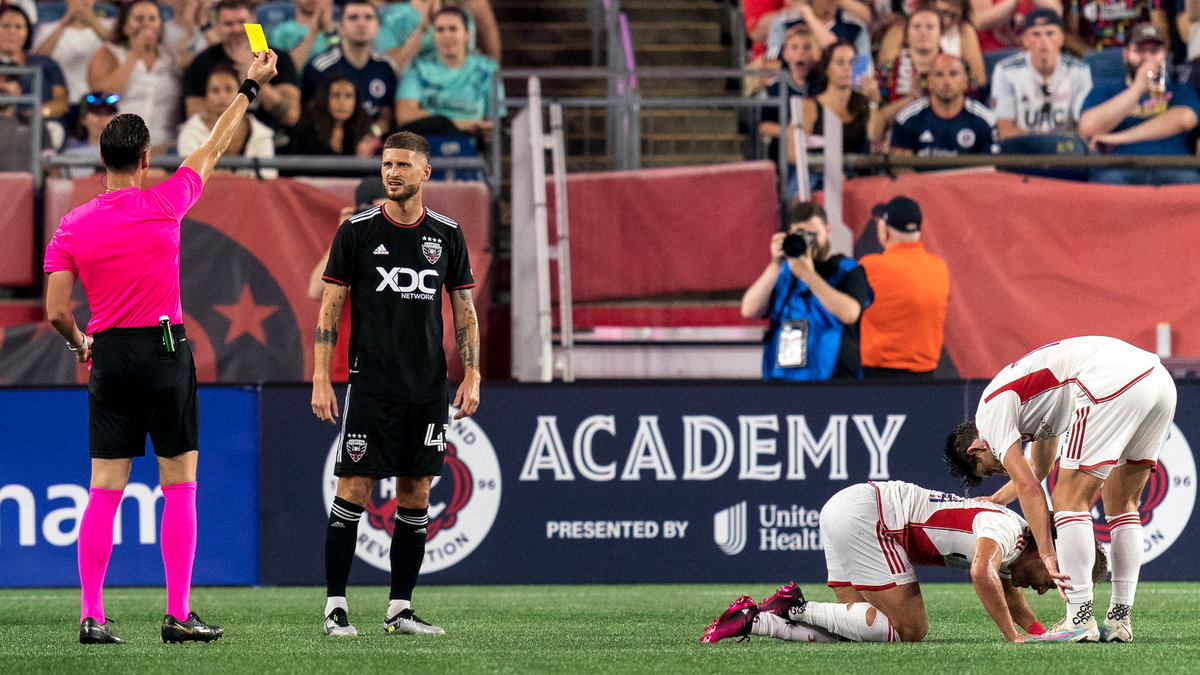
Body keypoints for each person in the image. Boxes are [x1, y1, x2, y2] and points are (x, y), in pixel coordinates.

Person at [42, 49, 278, 645]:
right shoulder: (166, 203)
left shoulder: (72, 226)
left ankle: (91, 617)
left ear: (102, 158)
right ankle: (177, 614)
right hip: (165, 353)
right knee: (179, 487)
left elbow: (54, 312)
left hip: (111, 357)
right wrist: (249, 86)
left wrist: (79, 343)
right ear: (146, 159)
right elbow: (218, 143)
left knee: (103, 492)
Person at [310, 131, 481, 637]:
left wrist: (471, 371)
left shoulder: (447, 233)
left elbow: (463, 309)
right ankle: (335, 608)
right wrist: (322, 377)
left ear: (426, 172)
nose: (393, 172)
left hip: (428, 389)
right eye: (387, 164)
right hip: (371, 386)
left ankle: (399, 609)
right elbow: (330, 307)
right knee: (354, 489)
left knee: (416, 492)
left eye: (403, 165)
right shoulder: (358, 230)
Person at [943, 335, 1177, 642]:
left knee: (1068, 499)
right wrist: (998, 500)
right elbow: (1039, 468)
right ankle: (1119, 619)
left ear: (976, 449)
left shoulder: (988, 417)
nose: (1002, 467)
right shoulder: (1033, 402)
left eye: (992, 467)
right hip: (1157, 379)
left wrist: (1047, 551)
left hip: (1110, 380)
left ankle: (1078, 618)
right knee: (1123, 504)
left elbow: (1028, 485)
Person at [701, 480, 1106, 643]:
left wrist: (1037, 633)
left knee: (857, 628)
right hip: (869, 516)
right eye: (1050, 581)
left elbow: (1009, 592)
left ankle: (756, 621)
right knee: (911, 630)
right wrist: (1014, 640)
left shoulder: (1017, 544)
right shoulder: (1006, 529)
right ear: (1045, 548)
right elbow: (982, 573)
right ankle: (795, 605)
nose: (1040, 587)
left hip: (850, 507)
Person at [741, 200, 872, 381]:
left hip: (834, 379)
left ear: (828, 230)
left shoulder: (848, 269)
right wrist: (774, 264)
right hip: (784, 377)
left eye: (813, 234)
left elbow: (850, 313)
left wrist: (809, 276)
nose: (809, 242)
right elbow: (749, 309)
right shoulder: (783, 272)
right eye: (801, 235)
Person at [1079, 23, 1200, 185]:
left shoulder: (1179, 89)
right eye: (1140, 51)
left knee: (1190, 181)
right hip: (1118, 169)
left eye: (1154, 52)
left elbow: (1185, 119)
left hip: (1173, 167)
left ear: (1164, 55)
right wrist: (1137, 89)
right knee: (1108, 182)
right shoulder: (1104, 89)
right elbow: (1088, 128)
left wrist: (1117, 138)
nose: (1147, 58)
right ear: (1125, 54)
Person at [857, 196, 948, 380]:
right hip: (926, 378)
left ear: (886, 231)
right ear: (919, 230)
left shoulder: (869, 266)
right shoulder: (939, 267)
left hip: (877, 378)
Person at [183, 0, 301, 131]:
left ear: (254, 21)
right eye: (228, 24)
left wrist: (256, 80)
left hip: (276, 141)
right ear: (216, 26)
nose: (236, 29)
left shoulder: (276, 57)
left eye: (241, 22)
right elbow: (194, 120)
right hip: (223, 141)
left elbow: (291, 116)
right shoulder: (203, 62)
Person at [394, 7, 502, 139]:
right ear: (433, 34)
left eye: (453, 29)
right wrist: (460, 124)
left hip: (471, 148)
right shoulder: (417, 67)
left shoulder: (487, 69)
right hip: (425, 145)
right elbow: (405, 115)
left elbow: (492, 124)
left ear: (467, 34)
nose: (446, 35)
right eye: (440, 30)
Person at [86, 0, 182, 148]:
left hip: (165, 143)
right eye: (139, 19)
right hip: (122, 143)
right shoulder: (109, 53)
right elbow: (102, 94)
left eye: (152, 19)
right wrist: (135, 55)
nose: (146, 25)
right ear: (125, 27)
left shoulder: (172, 56)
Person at [990, 8, 1092, 138]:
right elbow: (1005, 130)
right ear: (1025, 40)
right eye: (1036, 34)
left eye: (1050, 33)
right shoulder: (1006, 71)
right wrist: (1044, 142)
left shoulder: (1079, 70)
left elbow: (1084, 125)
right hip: (1022, 150)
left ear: (1061, 39)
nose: (1043, 41)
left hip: (1066, 152)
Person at [302, 0, 397, 132]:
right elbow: (311, 114)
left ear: (377, 27)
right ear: (340, 27)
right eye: (353, 18)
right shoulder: (321, 67)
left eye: (368, 17)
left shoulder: (386, 67)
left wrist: (371, 135)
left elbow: (386, 115)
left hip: (372, 145)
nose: (361, 23)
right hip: (327, 142)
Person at [177, 66, 277, 178]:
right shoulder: (190, 133)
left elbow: (268, 179)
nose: (222, 96)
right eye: (215, 90)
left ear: (242, 94)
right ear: (205, 97)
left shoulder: (261, 134)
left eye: (229, 89)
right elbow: (188, 180)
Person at [890, 53, 998, 157]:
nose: (947, 82)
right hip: (922, 176)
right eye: (939, 74)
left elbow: (990, 168)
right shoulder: (907, 118)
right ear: (929, 82)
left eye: (953, 74)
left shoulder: (985, 120)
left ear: (965, 81)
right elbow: (901, 168)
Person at [32, 0, 112, 134]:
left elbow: (120, 50)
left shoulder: (109, 25)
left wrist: (91, 20)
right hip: (63, 104)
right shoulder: (48, 28)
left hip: (99, 105)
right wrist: (64, 22)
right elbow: (38, 60)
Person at [878, 0, 988, 84]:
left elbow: (978, 81)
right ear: (929, 4)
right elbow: (885, 76)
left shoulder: (964, 31)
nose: (946, 21)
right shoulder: (900, 30)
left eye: (954, 16)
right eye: (942, 13)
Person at [0, 4, 69, 122]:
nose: (12, 31)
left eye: (19, 27)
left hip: (40, 126)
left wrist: (34, 114)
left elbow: (61, 103)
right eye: (6, 26)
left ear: (28, 32)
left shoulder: (45, 63)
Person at [876, 8, 943, 129]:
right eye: (916, 27)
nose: (923, 32)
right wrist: (911, 99)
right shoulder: (888, 69)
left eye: (930, 27)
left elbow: (968, 111)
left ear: (941, 34)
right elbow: (879, 117)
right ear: (906, 35)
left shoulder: (959, 67)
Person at [287, 76, 379, 158]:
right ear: (325, 99)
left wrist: (362, 161)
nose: (342, 102)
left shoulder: (364, 131)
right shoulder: (307, 128)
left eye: (348, 96)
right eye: (336, 95)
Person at [764, 0, 873, 62]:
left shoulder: (856, 28)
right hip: (793, 93)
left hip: (839, 96)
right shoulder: (784, 23)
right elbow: (770, 71)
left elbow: (862, 74)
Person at [1064, 0, 1169, 51]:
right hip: (1094, 60)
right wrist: (1094, 57)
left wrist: (1152, 57)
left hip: (1139, 57)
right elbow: (1069, 35)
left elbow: (1161, 29)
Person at [58, 91, 120, 178]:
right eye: (96, 112)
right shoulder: (68, 152)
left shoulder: (129, 151)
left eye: (108, 113)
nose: (102, 119)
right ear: (82, 119)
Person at [973, 0, 1064, 52]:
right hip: (994, 53)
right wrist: (1012, 2)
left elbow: (1056, 13)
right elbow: (979, 22)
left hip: (1032, 55)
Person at [269, 0, 335, 68]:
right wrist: (312, 32)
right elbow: (283, 71)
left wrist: (329, 29)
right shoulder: (281, 32)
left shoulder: (338, 30)